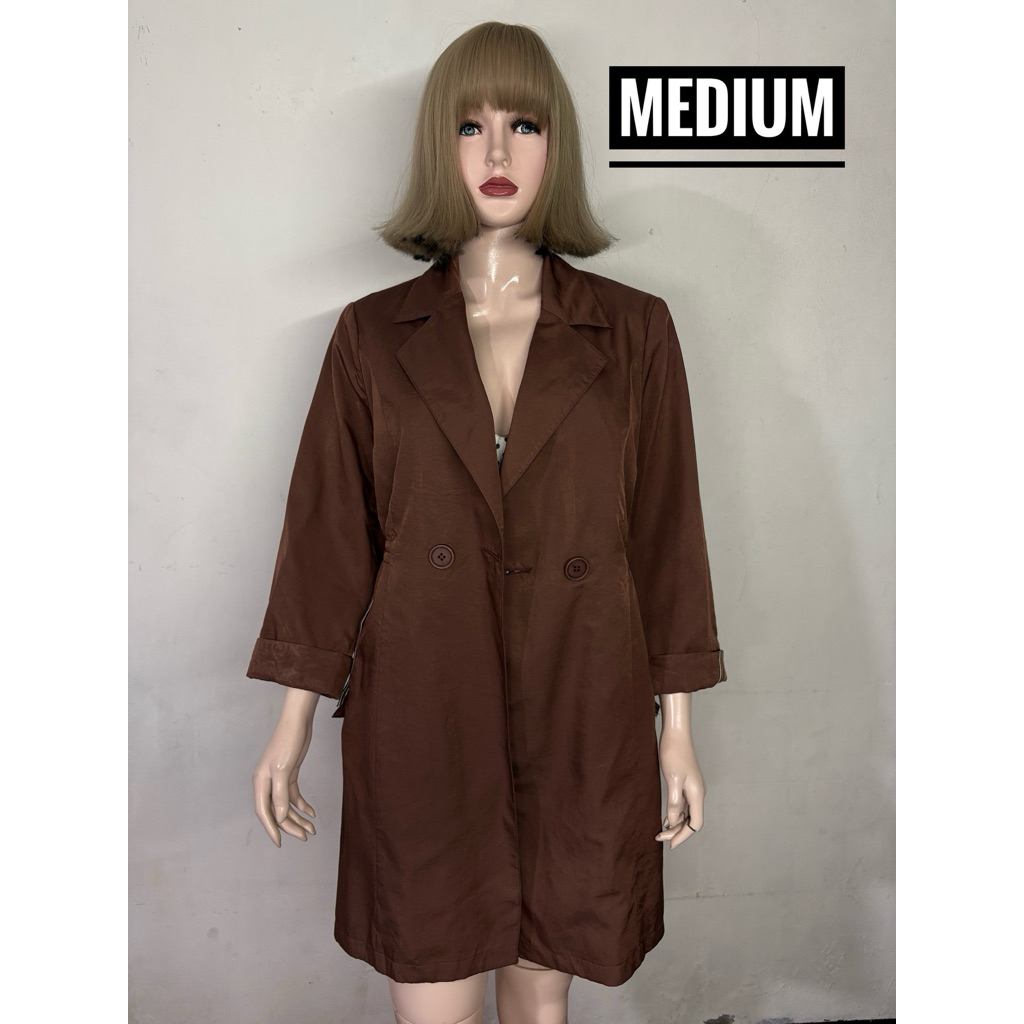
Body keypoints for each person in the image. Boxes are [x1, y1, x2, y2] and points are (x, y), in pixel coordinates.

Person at [247, 21, 727, 1024]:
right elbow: (328, 538)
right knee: (435, 999)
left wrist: (676, 727)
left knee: (542, 1000)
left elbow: (666, 535)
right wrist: (291, 720)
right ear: (441, 146)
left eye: (524, 124)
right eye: (470, 126)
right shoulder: (373, 337)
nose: (497, 151)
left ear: (557, 146)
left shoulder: (633, 330)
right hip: (425, 703)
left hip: (582, 700)